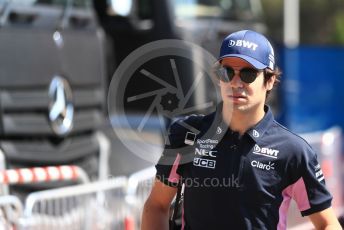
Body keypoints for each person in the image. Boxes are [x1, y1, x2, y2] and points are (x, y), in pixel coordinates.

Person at [141, 30, 341, 229]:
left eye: (248, 73)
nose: (236, 83)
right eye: (227, 72)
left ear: (269, 80)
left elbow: (327, 224)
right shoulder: (186, 134)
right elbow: (157, 205)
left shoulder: (294, 151)